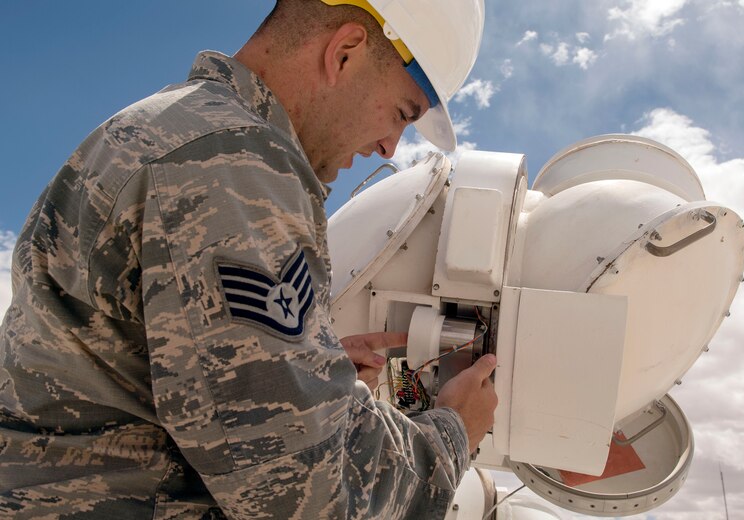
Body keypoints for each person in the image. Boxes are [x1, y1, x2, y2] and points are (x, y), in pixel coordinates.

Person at [0, 0, 496, 518]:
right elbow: (306, 494)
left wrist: (308, 374)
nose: (390, 148)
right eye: (402, 113)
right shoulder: (231, 166)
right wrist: (454, 429)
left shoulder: (178, 128)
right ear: (345, 52)